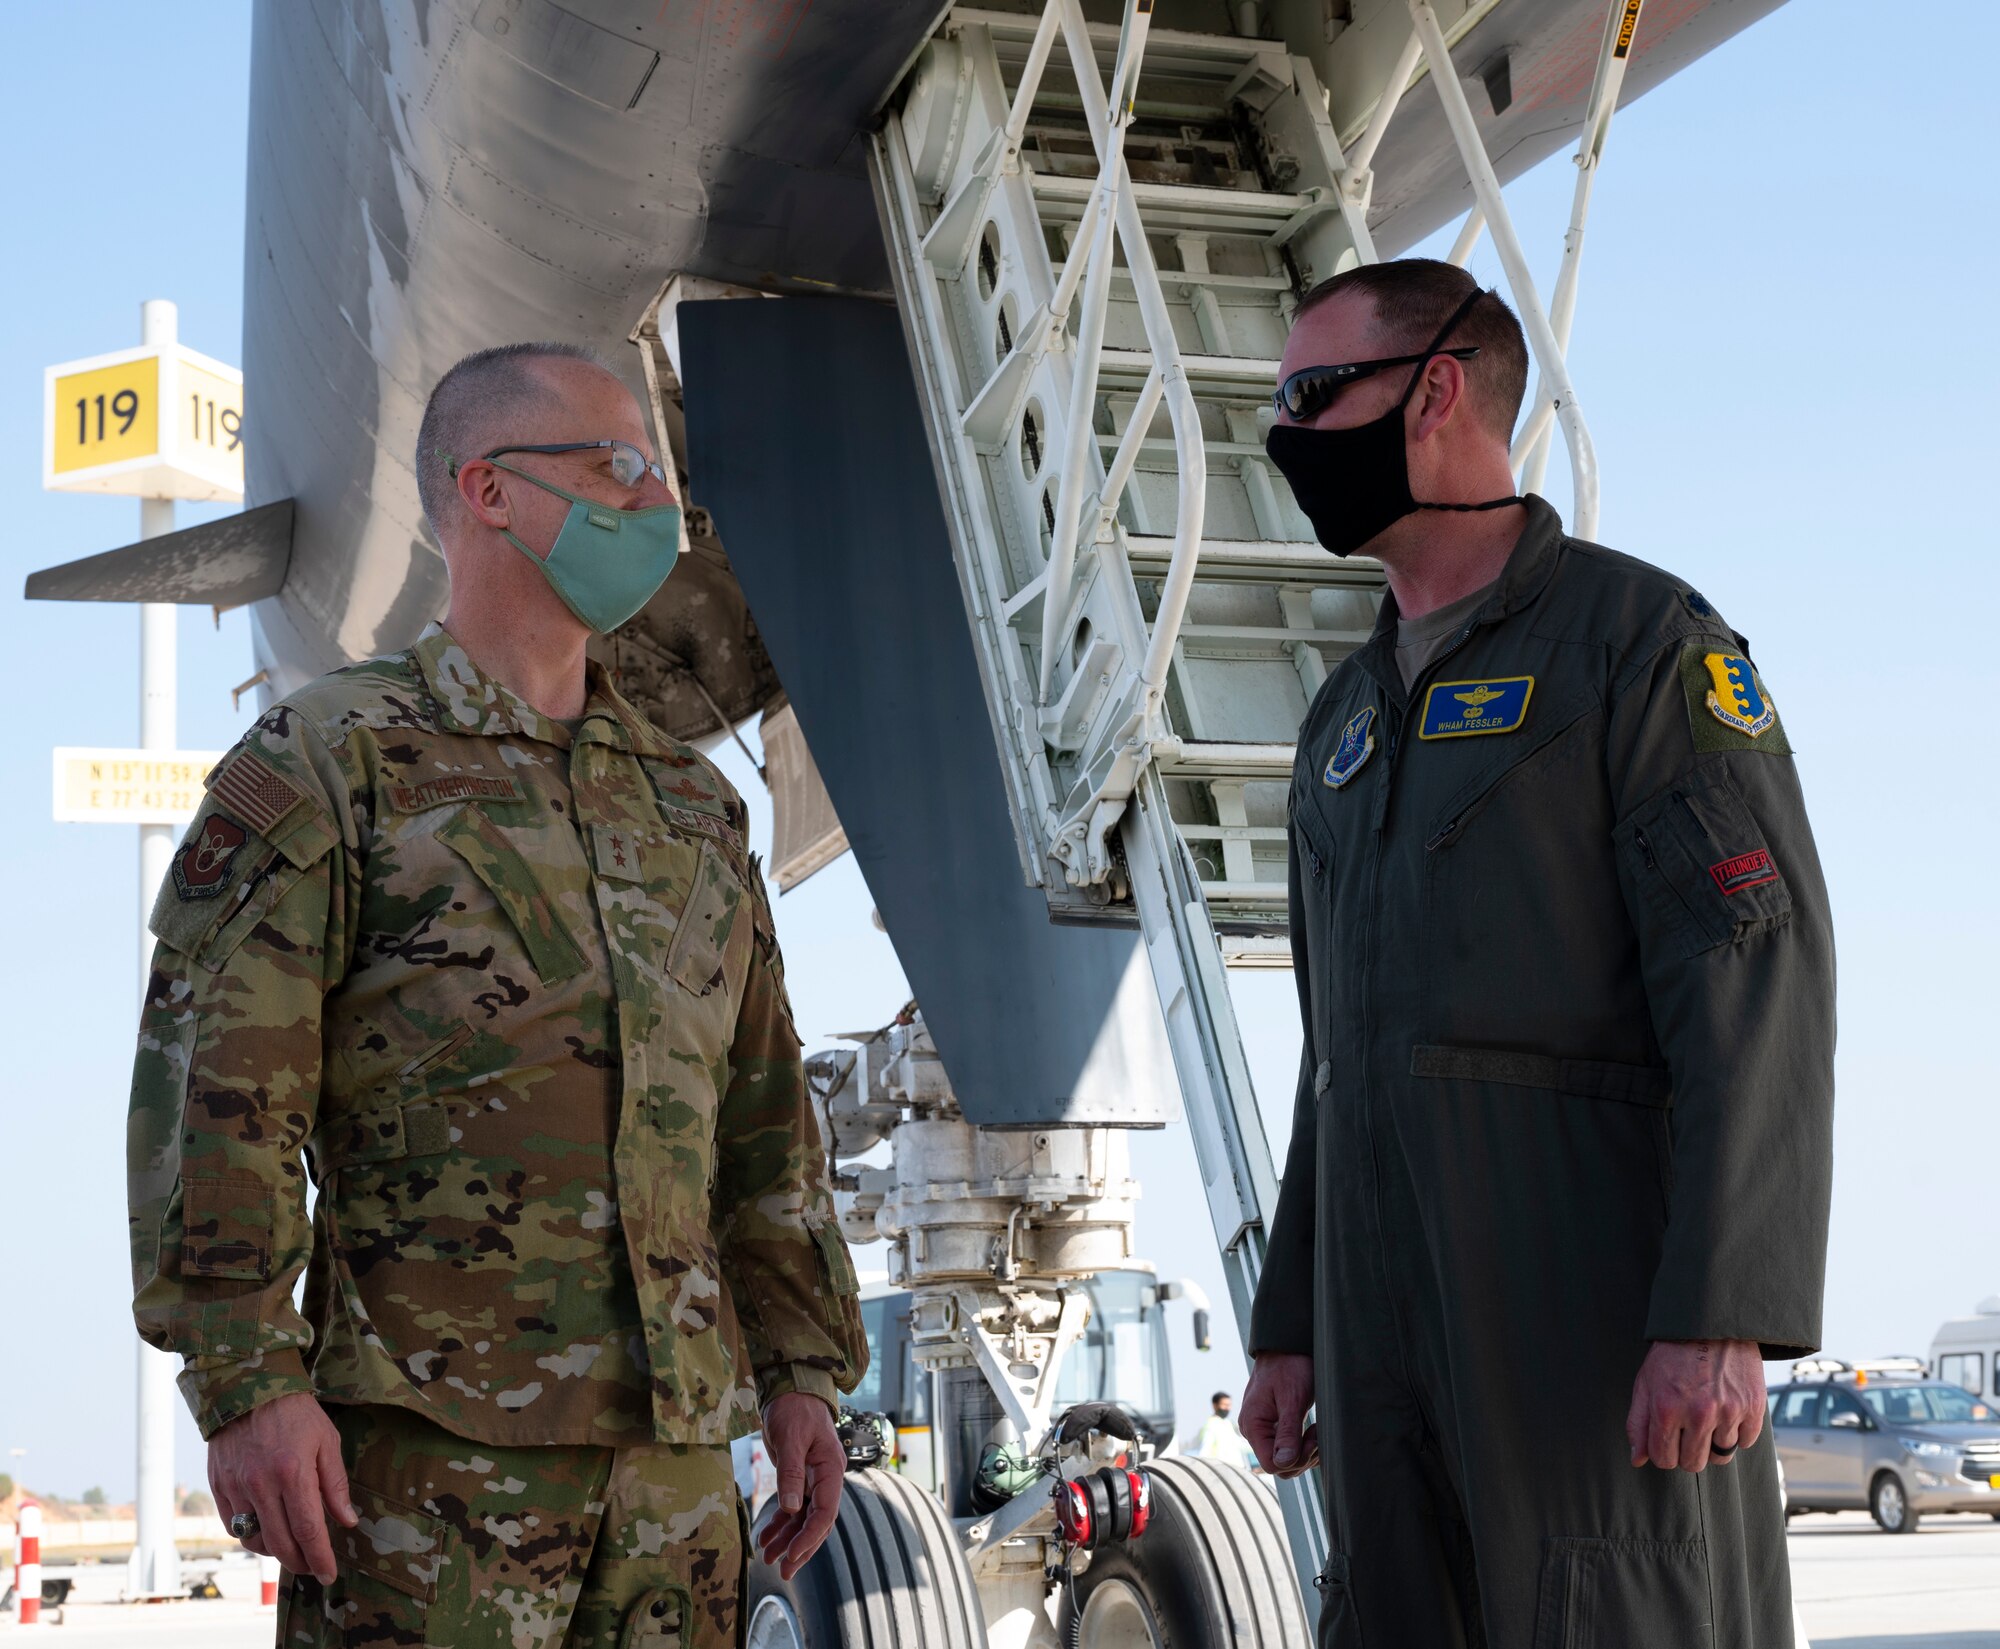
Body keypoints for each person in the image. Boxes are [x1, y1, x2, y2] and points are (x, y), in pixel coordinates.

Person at [127, 343, 869, 1647]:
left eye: (658, 475)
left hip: (678, 1481)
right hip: (425, 1474)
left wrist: (804, 1372)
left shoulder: (696, 808)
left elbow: (761, 1129)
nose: (656, 506)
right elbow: (216, 1098)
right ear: (488, 489)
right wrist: (246, 1384)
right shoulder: (326, 765)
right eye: (615, 468)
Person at [1239, 260, 1834, 1646]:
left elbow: (1755, 975)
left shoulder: (1636, 650)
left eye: (1312, 399)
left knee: (1611, 1610)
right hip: (1384, 1338)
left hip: (1586, 1315)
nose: (1285, 442)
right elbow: (1339, 1057)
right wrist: (1293, 1318)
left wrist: (1721, 1310)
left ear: (1437, 391)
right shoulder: (1343, 721)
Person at [1191, 1390, 1257, 1471]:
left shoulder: (1227, 1423)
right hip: (1223, 1471)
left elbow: (1238, 1444)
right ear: (1215, 1405)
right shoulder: (1211, 1425)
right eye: (1224, 1405)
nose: (1227, 1408)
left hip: (1237, 1470)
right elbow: (1205, 1451)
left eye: (1229, 1405)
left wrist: (1258, 1444)